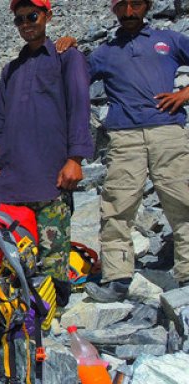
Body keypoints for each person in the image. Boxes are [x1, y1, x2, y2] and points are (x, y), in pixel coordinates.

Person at [0, 0, 94, 312]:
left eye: (32, 16)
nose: (26, 23)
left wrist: (76, 159)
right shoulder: (11, 70)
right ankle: (13, 308)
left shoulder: (67, 57)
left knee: (53, 252)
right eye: (20, 20)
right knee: (12, 249)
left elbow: (80, 105)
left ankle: (52, 311)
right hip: (10, 176)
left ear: (47, 17)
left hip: (50, 174)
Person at [69, 0, 189, 301]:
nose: (129, 12)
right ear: (114, 10)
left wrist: (186, 93)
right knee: (117, 207)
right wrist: (70, 51)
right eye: (122, 6)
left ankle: (188, 275)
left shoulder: (169, 40)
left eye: (136, 4)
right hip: (124, 138)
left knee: (183, 201)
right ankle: (118, 278)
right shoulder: (104, 53)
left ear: (146, 6)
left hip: (168, 132)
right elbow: (72, 79)